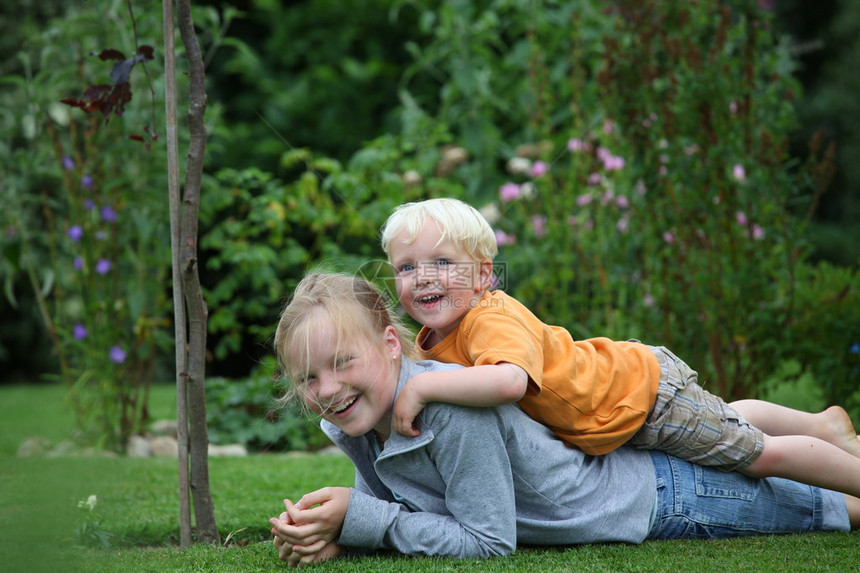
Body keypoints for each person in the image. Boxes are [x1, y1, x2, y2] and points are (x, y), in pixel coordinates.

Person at [269, 272, 858, 567]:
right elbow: (406, 506)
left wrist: (362, 520)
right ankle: (820, 427)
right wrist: (339, 530)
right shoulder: (346, 421)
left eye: (343, 363)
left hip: (655, 496)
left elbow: (487, 541)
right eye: (308, 378)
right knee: (723, 427)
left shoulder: (449, 409)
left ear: (391, 344)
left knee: (828, 507)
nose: (327, 391)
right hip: (618, 455)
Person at [379, 197, 860, 499]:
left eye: (442, 262)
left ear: (484, 275)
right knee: (722, 416)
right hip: (622, 400)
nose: (422, 277)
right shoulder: (434, 339)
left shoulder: (489, 318)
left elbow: (509, 381)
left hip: (640, 395)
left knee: (758, 455)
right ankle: (822, 426)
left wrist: (421, 389)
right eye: (406, 268)